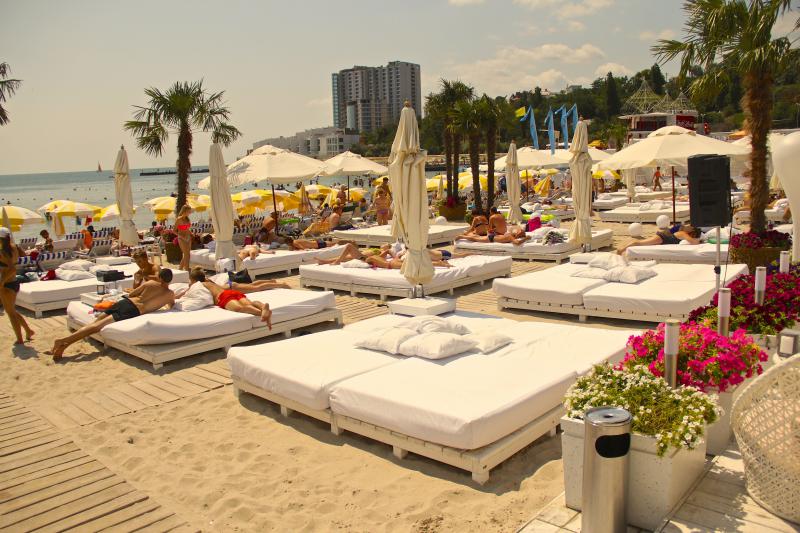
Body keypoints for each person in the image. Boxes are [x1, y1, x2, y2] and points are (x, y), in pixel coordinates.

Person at [49, 269, 176, 360]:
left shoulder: (150, 283)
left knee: (94, 324)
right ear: (170, 280)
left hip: (125, 302)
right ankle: (63, 342)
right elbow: (171, 305)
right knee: (95, 327)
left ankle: (63, 344)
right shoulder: (170, 294)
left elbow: (132, 294)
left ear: (159, 277)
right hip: (133, 310)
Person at [0, 227, 35, 344]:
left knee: (11, 314)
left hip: (7, 285)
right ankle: (28, 331)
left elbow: (12, 269)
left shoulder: (3, 251)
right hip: (14, 283)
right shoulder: (14, 247)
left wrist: (1, 283)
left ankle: (19, 339)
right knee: (12, 311)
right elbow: (21, 258)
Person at [199, 275, 272, 328]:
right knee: (251, 303)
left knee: (239, 308)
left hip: (223, 296)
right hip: (232, 292)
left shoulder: (200, 285)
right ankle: (263, 306)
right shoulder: (210, 282)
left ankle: (261, 313)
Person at [617, 224, 702, 254]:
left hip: (663, 239)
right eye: (693, 235)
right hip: (662, 238)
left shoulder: (682, 232)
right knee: (640, 243)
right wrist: (701, 241)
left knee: (641, 243)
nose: (693, 236)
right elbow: (693, 242)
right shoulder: (683, 233)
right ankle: (621, 250)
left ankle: (623, 249)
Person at [458, 227, 530, 245]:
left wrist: (524, 236)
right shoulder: (511, 237)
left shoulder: (510, 235)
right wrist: (526, 238)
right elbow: (517, 243)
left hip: (493, 237)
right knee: (475, 238)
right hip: (491, 238)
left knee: (477, 237)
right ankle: (462, 236)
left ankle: (466, 234)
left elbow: (519, 230)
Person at [175, 205, 193, 271]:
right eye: (189, 211)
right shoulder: (179, 219)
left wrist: (191, 233)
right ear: (185, 211)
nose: (190, 212)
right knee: (186, 254)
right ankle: (187, 270)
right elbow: (174, 230)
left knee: (187, 254)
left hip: (188, 237)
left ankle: (180, 269)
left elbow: (187, 229)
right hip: (181, 238)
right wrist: (180, 235)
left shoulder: (187, 219)